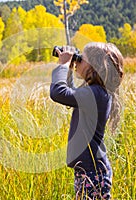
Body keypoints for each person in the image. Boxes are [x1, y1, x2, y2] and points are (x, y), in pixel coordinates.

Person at [50, 42, 124, 200]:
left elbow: (58, 93)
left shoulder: (97, 94)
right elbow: (70, 93)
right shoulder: (96, 93)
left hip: (93, 173)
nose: (77, 61)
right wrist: (69, 69)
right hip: (89, 172)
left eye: (81, 59)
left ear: (95, 66)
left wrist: (63, 64)